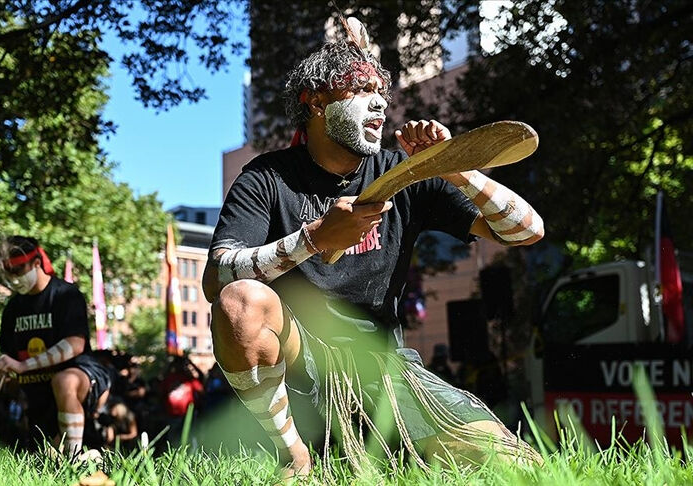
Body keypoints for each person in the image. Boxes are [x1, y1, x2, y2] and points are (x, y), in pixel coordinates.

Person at [202, 19, 544, 478]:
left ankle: (389, 443)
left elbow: (527, 231)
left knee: (516, 467)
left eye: (381, 89)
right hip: (299, 366)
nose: (379, 101)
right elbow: (216, 279)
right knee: (242, 301)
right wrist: (315, 240)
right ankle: (295, 457)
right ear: (317, 101)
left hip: (385, 368)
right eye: (360, 88)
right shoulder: (267, 177)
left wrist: (451, 166)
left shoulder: (401, 171)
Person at [0, 235, 113, 459]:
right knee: (43, 457)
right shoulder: (12, 308)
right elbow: (9, 357)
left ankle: (73, 459)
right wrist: (5, 371)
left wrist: (22, 365)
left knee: (65, 380)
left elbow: (75, 344)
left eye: (18, 270)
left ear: (36, 263)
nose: (13, 279)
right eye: (8, 272)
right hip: (38, 392)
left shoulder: (65, 294)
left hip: (80, 377)